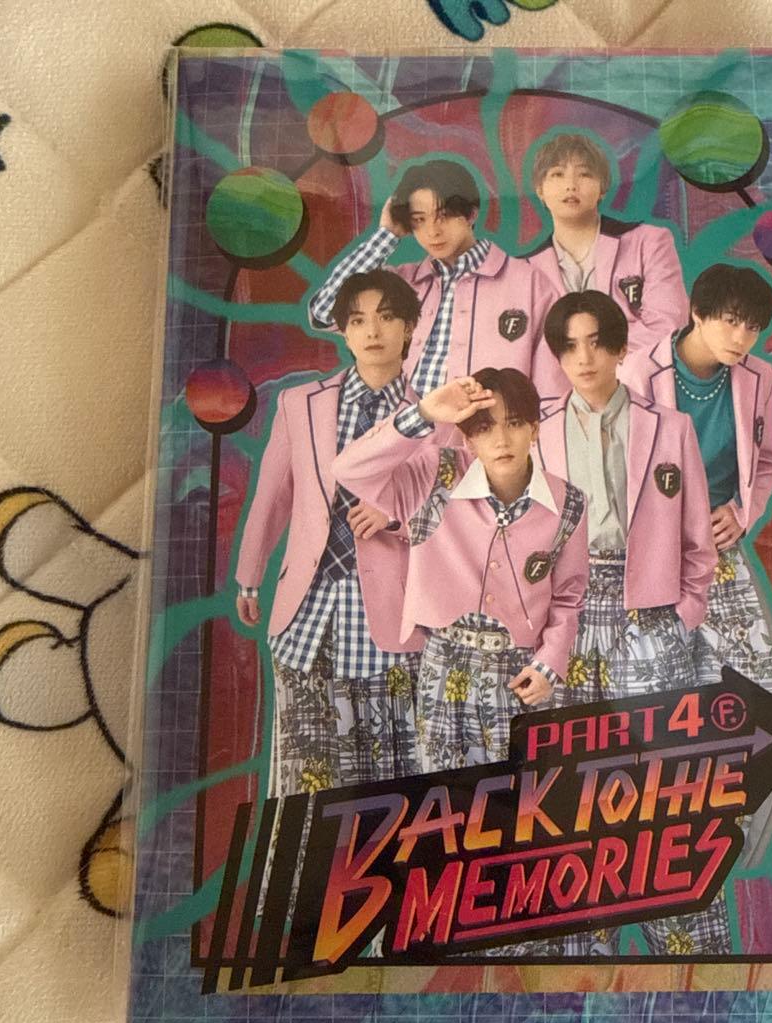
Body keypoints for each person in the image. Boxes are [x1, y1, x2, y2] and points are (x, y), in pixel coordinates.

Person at [622, 261, 772, 958]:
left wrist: (743, 513)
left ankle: (713, 831)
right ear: (696, 310)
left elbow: (767, 459)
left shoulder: (759, 378)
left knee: (762, 700)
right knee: (657, 704)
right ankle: (656, 849)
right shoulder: (638, 370)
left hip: (717, 551)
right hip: (646, 553)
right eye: (730, 320)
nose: (741, 337)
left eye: (753, 327)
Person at [333, 367, 588, 774]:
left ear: (535, 430)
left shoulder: (569, 503)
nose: (501, 440)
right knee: (445, 793)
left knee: (521, 790)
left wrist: (550, 662)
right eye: (485, 429)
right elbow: (350, 469)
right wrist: (423, 413)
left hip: (520, 671)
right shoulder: (437, 474)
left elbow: (569, 595)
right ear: (467, 440)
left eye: (514, 424)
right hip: (443, 665)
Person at [235, 269, 425, 795]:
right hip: (306, 608)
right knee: (304, 766)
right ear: (343, 330)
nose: (373, 331)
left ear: (410, 326)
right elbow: (273, 494)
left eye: (387, 318)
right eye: (358, 320)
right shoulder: (301, 403)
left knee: (389, 767)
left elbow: (459, 509)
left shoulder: (432, 412)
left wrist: (396, 515)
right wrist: (250, 576)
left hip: (393, 610)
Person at [538, 290, 715, 706]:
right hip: (566, 611)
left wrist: (684, 615)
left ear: (620, 349)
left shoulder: (672, 428)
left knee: (655, 736)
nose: (584, 358)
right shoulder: (537, 432)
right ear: (558, 357)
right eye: (570, 346)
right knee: (572, 738)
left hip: (652, 610)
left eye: (597, 343)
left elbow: (698, 537)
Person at [308, 158, 568, 408]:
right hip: (401, 431)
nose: (432, 231)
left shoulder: (529, 283)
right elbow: (325, 312)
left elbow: (552, 392)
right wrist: (387, 235)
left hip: (485, 434)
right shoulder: (401, 283)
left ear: (470, 214)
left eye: (443, 216)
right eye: (419, 220)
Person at [525, 132, 689, 355]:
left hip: (641, 374)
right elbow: (529, 350)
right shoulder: (525, 270)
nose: (570, 185)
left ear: (602, 188)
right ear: (540, 190)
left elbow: (668, 326)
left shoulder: (649, 242)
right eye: (557, 174)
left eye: (584, 174)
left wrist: (597, 356)